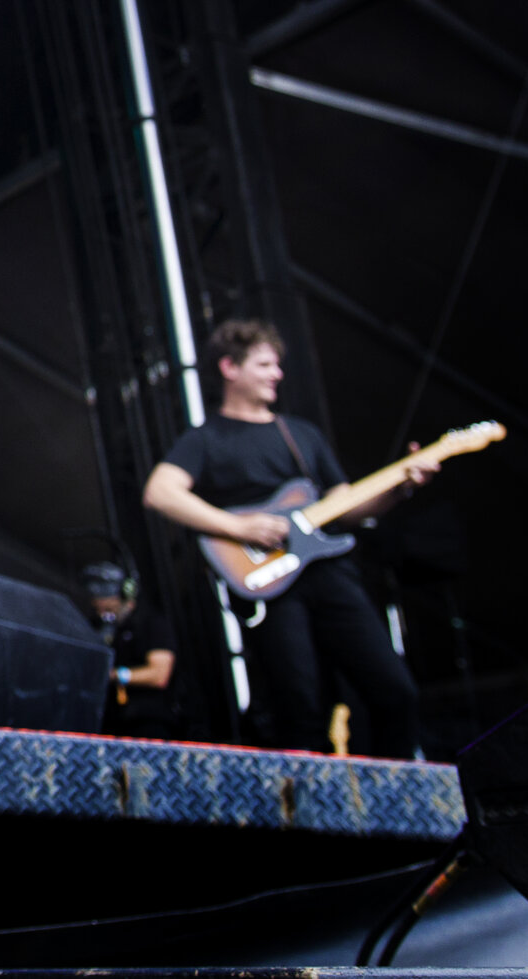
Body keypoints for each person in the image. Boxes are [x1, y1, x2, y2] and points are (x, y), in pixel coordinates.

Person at [143, 320, 428, 758]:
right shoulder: (205, 439)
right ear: (229, 368)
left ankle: (399, 802)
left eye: (277, 365)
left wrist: (399, 488)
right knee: (300, 709)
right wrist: (239, 527)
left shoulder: (300, 434)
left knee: (395, 691)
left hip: (330, 571)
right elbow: (160, 492)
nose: (276, 373)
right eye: (264, 364)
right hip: (272, 586)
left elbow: (346, 507)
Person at [79, 562, 177, 737]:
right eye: (98, 606)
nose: (102, 611)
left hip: (147, 722)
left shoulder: (151, 623)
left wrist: (113, 675)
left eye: (108, 607)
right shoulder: (97, 626)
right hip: (109, 722)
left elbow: (159, 675)